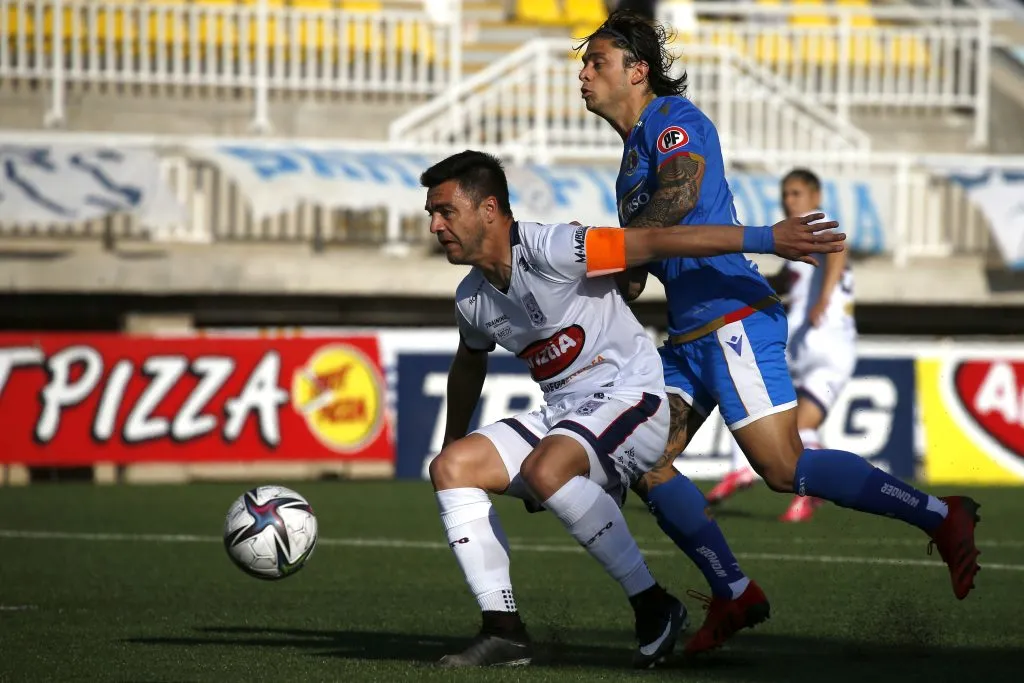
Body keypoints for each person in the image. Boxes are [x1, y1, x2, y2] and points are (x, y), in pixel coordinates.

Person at [578, 9, 982, 655]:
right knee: (646, 463)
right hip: (687, 336)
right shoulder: (629, 162)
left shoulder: (675, 123)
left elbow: (677, 203)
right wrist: (604, 274)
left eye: (596, 62)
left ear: (637, 70)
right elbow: (640, 263)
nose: (583, 74)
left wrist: (616, 250)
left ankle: (942, 515)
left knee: (782, 466)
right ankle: (735, 589)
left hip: (734, 318)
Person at [422, 150, 842, 668]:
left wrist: (766, 239)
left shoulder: (555, 246)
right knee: (450, 469)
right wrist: (452, 440)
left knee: (547, 467)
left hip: (633, 397)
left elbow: (654, 242)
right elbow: (469, 364)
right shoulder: (471, 299)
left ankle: (653, 606)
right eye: (431, 214)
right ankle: (504, 631)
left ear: (489, 209)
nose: (435, 225)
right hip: (566, 413)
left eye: (445, 211)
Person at [709, 169, 859, 523]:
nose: (788, 201)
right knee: (782, 420)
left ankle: (757, 473)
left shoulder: (814, 225)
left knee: (749, 392)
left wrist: (823, 298)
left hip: (827, 341)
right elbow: (788, 280)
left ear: (815, 195)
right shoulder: (799, 245)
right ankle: (794, 483)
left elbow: (839, 248)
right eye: (785, 194)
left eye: (796, 193)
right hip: (810, 344)